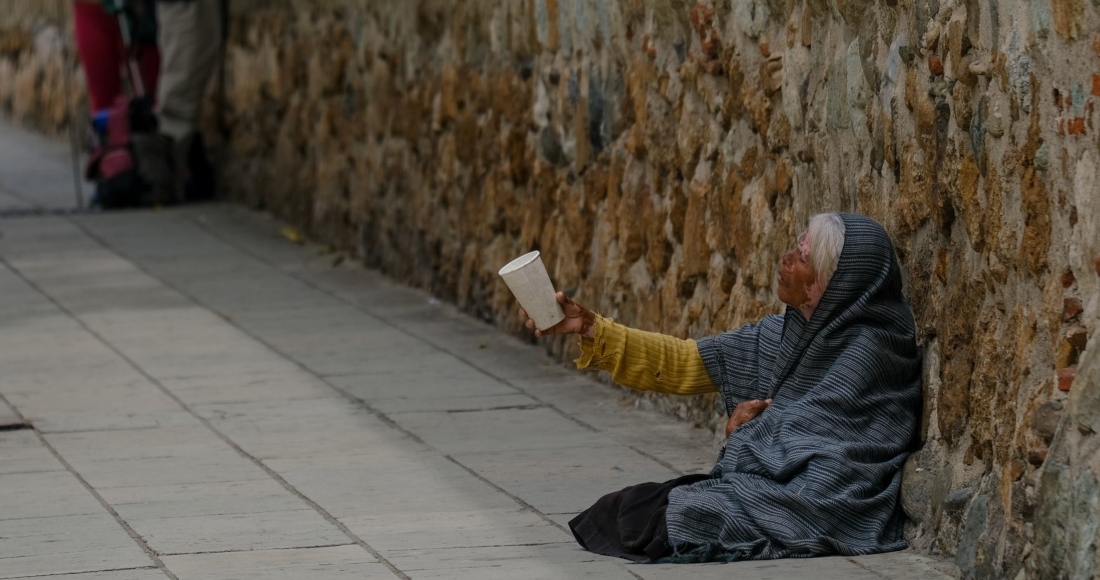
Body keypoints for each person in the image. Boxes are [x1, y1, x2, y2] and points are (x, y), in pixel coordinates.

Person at [519, 212, 921, 562]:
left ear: (836, 285)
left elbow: (831, 452)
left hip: (826, 497)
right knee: (623, 510)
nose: (785, 260)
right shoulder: (791, 334)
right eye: (796, 247)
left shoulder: (870, 350)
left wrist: (743, 435)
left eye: (802, 258)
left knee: (659, 521)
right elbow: (687, 362)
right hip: (776, 485)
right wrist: (589, 327)